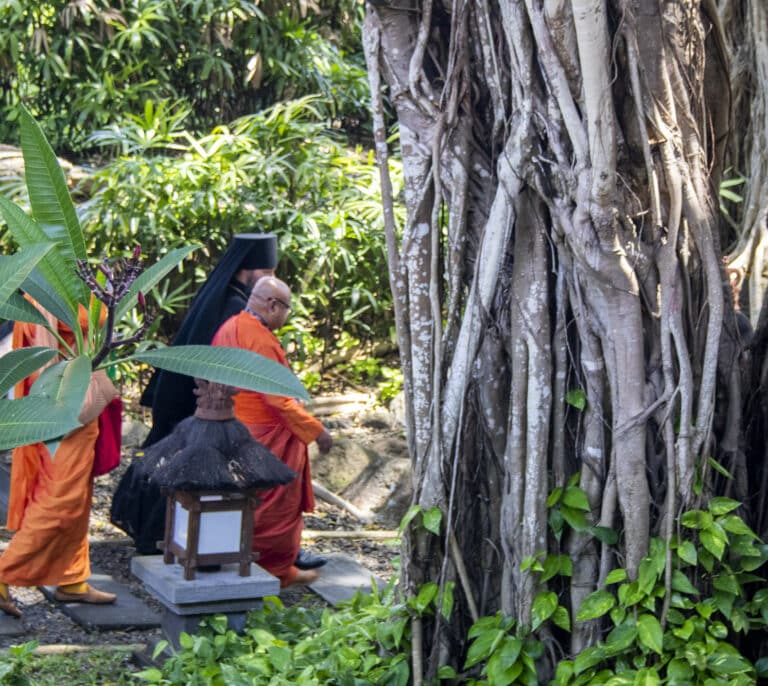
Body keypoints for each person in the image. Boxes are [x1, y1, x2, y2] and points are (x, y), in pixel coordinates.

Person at [109, 232, 281, 554]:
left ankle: (157, 533)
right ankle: (161, 537)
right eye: (268, 273)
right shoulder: (233, 307)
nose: (271, 280)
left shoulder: (222, 296)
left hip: (186, 395)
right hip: (199, 402)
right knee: (185, 470)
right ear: (252, 271)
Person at [211, 276, 333, 587]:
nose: (286, 316)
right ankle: (277, 571)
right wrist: (316, 430)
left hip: (232, 429)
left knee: (247, 499)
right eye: (287, 309)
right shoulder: (260, 339)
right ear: (273, 305)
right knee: (275, 501)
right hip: (265, 434)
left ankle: (242, 559)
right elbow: (276, 399)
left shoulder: (231, 326)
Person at [0, 309, 119, 617]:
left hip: (74, 401)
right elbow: (85, 323)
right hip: (64, 404)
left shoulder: (61, 287)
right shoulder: (49, 298)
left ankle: (72, 578)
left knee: (77, 496)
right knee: (59, 501)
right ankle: (3, 572)